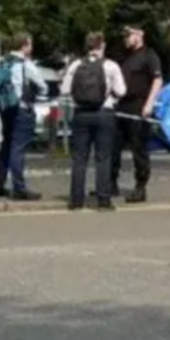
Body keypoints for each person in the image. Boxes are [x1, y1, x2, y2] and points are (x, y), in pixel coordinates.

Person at [62, 31, 126, 211]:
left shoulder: (75, 65)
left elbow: (65, 90)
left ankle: (76, 200)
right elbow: (121, 91)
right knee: (103, 158)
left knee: (79, 158)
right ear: (102, 45)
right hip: (104, 113)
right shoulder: (111, 66)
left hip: (81, 114)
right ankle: (103, 200)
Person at [0, 33, 47, 201]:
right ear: (24, 46)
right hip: (22, 109)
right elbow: (42, 86)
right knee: (18, 148)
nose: (32, 47)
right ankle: (19, 188)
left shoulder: (2, 62)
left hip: (6, 109)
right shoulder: (25, 65)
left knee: (7, 145)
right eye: (30, 44)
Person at [110, 25, 163, 202]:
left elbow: (157, 80)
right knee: (113, 146)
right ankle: (111, 184)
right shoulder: (125, 56)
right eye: (124, 36)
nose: (126, 38)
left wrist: (149, 104)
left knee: (138, 149)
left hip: (139, 106)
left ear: (140, 35)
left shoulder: (149, 55)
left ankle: (140, 187)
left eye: (129, 35)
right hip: (122, 106)